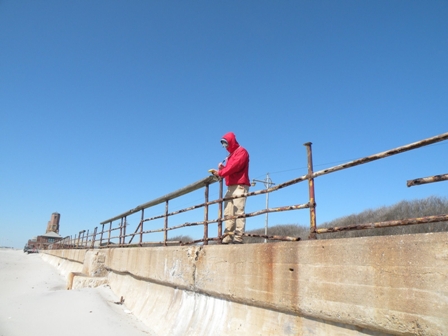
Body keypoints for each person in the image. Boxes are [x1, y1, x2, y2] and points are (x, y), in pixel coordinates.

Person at [212, 132, 250, 244]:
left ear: (231, 142)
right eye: (223, 144)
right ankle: (228, 236)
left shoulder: (242, 152)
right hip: (230, 186)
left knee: (239, 211)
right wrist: (222, 169)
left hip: (240, 185)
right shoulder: (231, 155)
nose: (225, 147)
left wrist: (221, 172)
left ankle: (238, 238)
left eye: (226, 143)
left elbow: (235, 167)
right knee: (228, 212)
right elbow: (231, 169)